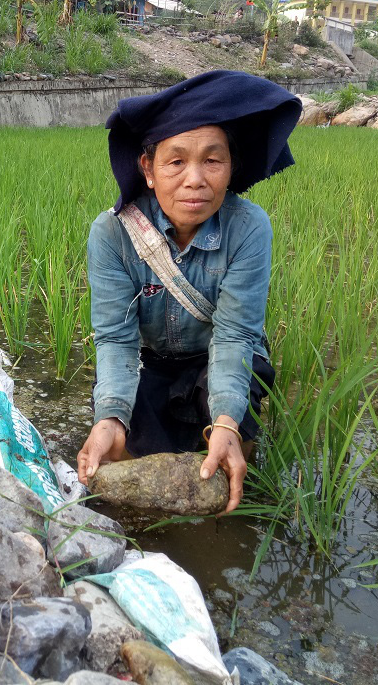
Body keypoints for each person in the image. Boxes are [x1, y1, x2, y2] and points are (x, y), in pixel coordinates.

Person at [76, 70, 302, 514]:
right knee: (125, 450)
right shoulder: (113, 234)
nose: (195, 179)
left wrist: (226, 422)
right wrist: (110, 415)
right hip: (149, 360)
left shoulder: (248, 227)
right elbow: (116, 341)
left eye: (212, 161)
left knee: (231, 448)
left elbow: (235, 335)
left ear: (231, 166)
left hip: (219, 352)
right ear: (148, 169)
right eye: (176, 162)